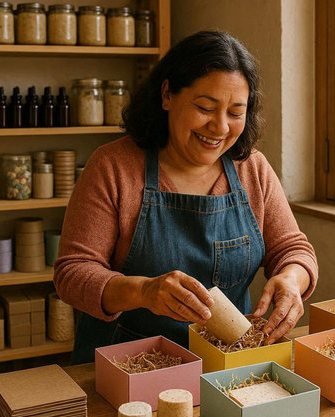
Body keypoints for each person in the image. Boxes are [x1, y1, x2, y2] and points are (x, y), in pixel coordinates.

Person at [54, 30, 318, 364]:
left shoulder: (253, 169)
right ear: (167, 94)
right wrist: (143, 291)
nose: (220, 127)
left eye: (236, 112)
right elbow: (72, 274)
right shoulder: (113, 167)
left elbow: (292, 249)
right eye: (206, 107)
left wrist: (292, 279)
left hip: (229, 363)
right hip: (126, 364)